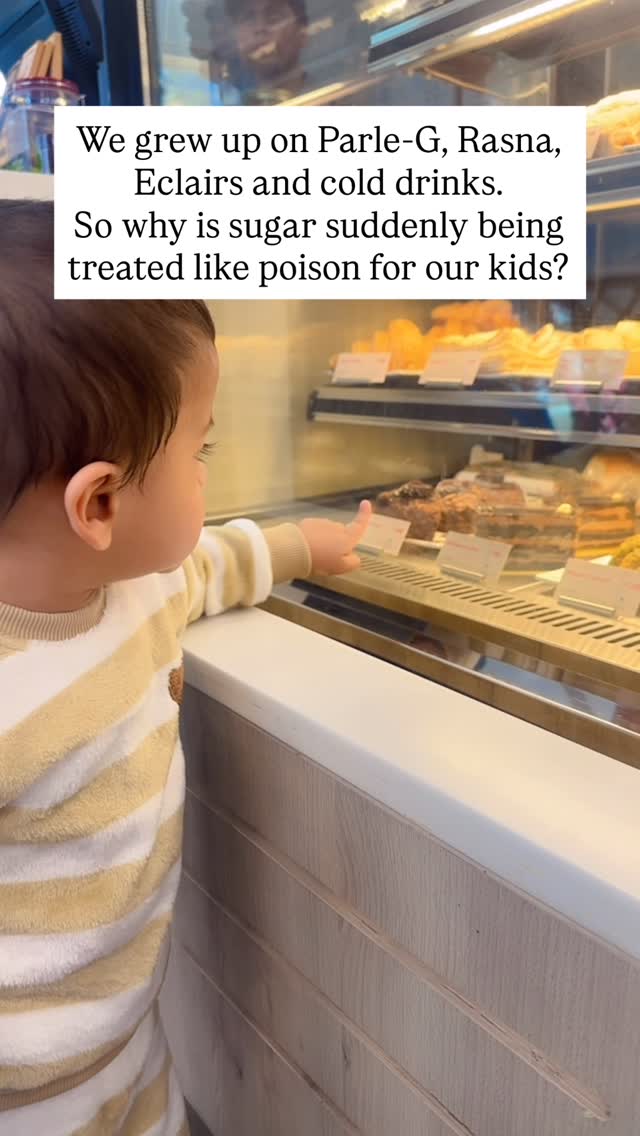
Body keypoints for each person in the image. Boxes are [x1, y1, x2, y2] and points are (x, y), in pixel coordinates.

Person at [0, 198, 370, 1136]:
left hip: (128, 1037)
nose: (208, 469)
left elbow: (208, 564)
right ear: (99, 504)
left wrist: (303, 545)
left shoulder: (140, 587)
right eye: (198, 450)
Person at [183, 0, 308, 105]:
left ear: (302, 34)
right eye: (248, 19)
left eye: (274, 17)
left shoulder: (319, 95)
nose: (259, 27)